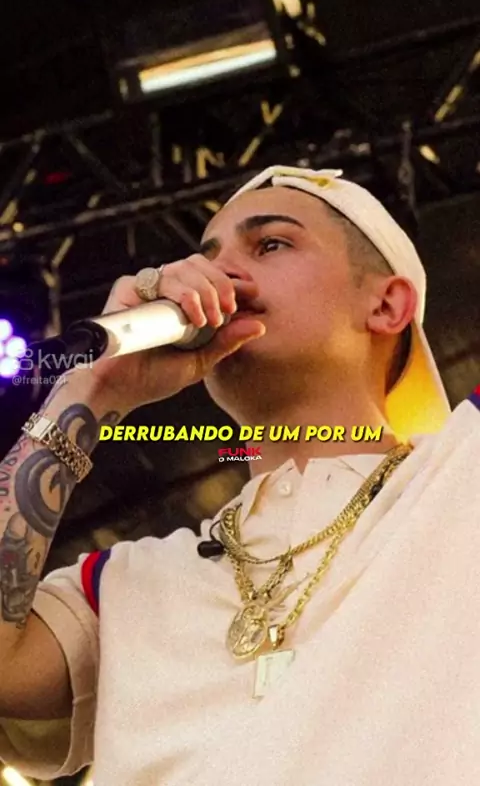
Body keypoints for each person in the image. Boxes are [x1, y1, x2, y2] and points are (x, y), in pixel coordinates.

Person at [0, 165, 478, 786]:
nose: (218, 275)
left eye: (270, 244)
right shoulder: (125, 586)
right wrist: (89, 391)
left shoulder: (460, 477)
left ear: (387, 304)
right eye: (206, 256)